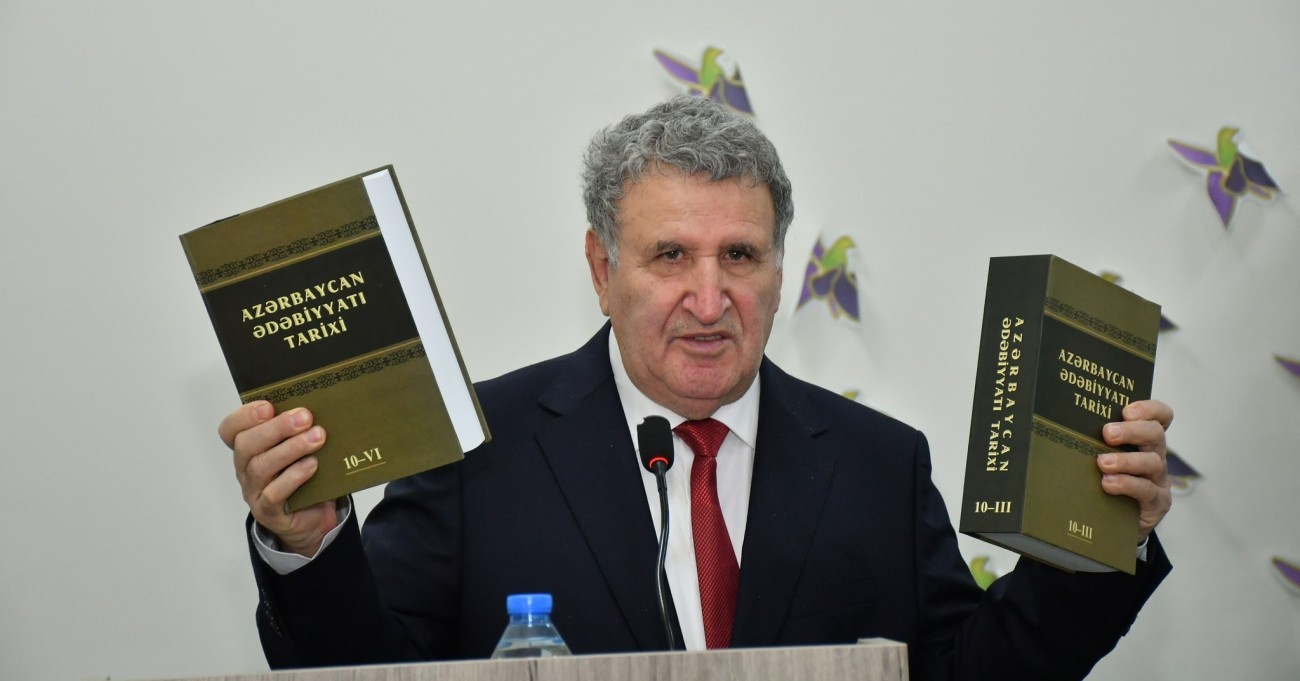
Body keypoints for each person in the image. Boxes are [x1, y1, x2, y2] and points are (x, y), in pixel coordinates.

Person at [220, 96, 1174, 680]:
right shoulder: (480, 448)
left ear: (781, 272)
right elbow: (367, 673)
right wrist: (308, 546)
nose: (710, 300)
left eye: (741, 256)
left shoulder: (880, 463)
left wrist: (1102, 537)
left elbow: (971, 675)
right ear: (603, 270)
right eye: (670, 254)